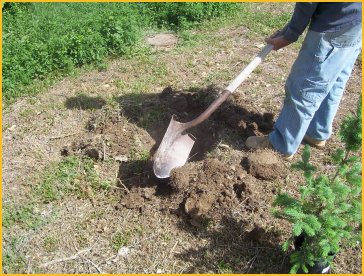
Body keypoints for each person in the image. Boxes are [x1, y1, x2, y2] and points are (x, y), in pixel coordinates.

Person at [245, 2, 362, 159]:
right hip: (355, 18)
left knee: (305, 87)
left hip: (333, 24)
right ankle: (316, 131)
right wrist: (287, 30)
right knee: (333, 81)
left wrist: (290, 34)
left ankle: (280, 145)